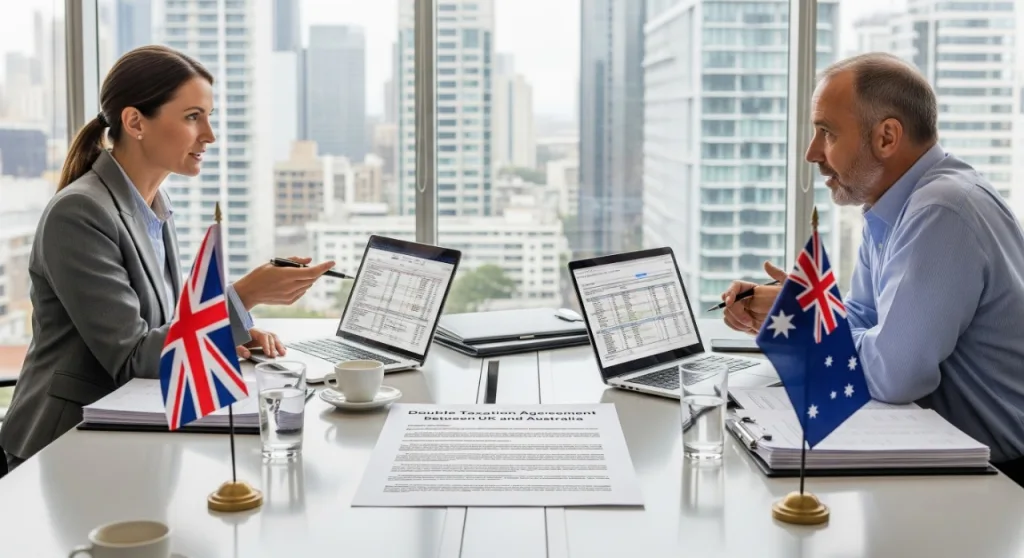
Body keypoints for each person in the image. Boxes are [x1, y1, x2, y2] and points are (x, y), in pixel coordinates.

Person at [1, 45, 336, 471]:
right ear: (135, 121)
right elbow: (132, 357)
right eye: (193, 116)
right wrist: (241, 298)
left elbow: (167, 324)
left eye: (208, 117)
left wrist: (230, 333)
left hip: (130, 428)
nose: (210, 135)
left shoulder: (154, 204)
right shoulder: (80, 213)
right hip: (65, 442)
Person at [720, 53, 1024, 485]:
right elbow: (865, 319)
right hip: (947, 452)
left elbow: (893, 375)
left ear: (886, 137)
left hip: (1001, 478)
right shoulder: (892, 203)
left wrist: (804, 321)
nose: (811, 153)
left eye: (826, 133)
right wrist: (805, 305)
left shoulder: (942, 210)